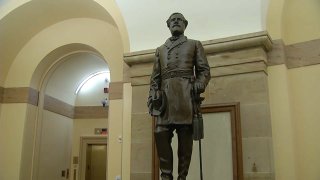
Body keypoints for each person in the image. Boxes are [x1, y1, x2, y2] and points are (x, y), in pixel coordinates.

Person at [148, 12, 211, 180]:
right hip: (165, 100)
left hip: (185, 96)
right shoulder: (160, 50)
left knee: (185, 140)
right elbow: (155, 78)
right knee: (160, 133)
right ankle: (166, 176)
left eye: (179, 20)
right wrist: (154, 93)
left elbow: (204, 70)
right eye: (172, 20)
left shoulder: (194, 44)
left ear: (185, 24)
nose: (176, 22)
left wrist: (200, 83)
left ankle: (182, 177)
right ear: (168, 25)